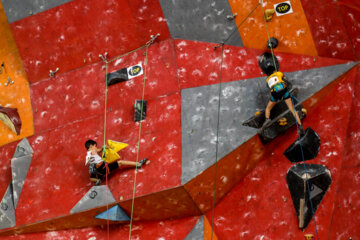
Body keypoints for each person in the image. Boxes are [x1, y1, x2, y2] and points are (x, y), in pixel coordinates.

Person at [259, 71, 305, 136]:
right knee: (292, 110)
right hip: (284, 91)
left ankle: (267, 120)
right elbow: (285, 79)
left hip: (275, 94)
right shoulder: (278, 73)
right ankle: (301, 127)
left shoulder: (267, 79)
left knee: (268, 108)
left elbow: (270, 87)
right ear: (274, 71)